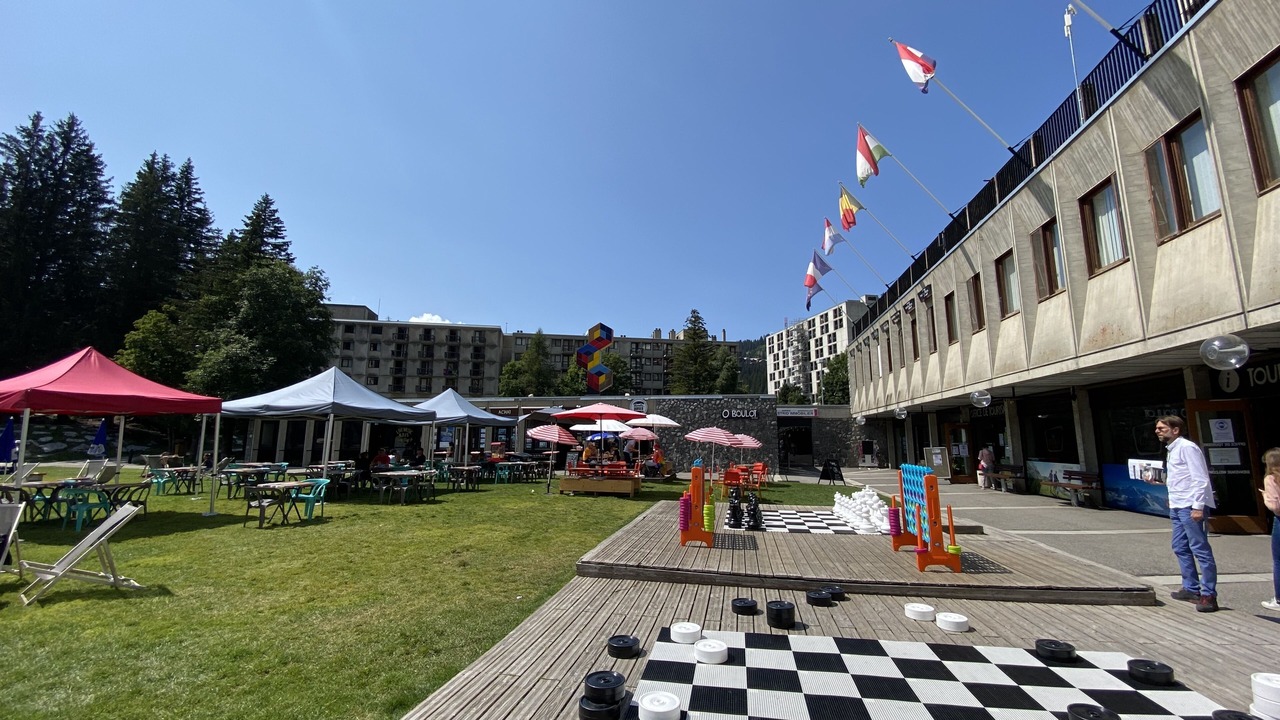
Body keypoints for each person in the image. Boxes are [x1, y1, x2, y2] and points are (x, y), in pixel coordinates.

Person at [1151, 415, 1219, 612]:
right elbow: (1180, 478)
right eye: (1157, 428)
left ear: (1176, 430)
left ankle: (1209, 594)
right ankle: (1190, 588)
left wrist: (1198, 506)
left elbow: (1200, 478)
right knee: (1180, 546)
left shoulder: (1187, 447)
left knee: (1200, 549)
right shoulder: (1172, 449)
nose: (1157, 431)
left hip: (1190, 506)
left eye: (1162, 428)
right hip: (1177, 505)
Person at [1261, 448, 1280, 612]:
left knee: (1278, 560)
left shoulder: (1271, 479)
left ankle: (1279, 599)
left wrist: (1265, 496)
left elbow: (1275, 506)